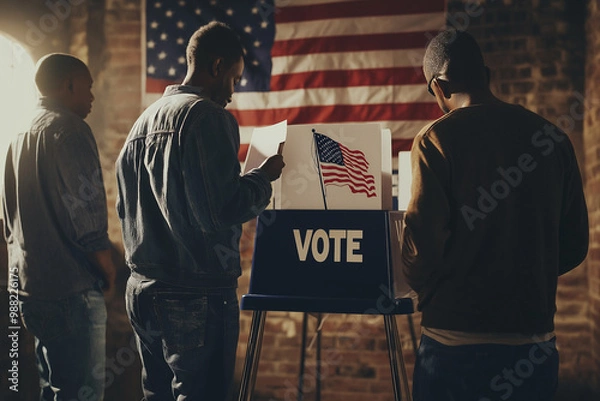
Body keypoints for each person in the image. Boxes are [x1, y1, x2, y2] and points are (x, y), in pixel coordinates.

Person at [401, 29, 589, 401]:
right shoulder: (552, 138)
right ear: (487, 74)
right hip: (533, 342)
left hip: (452, 343)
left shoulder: (435, 140)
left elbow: (421, 248)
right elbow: (574, 245)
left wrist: (427, 286)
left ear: (439, 86)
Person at [116, 21, 284, 400]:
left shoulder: (141, 123)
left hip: (141, 288)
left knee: (156, 393)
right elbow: (221, 210)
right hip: (195, 294)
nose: (233, 92)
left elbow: (123, 208)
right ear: (217, 65)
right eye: (235, 79)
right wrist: (262, 177)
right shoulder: (209, 117)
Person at [2, 53, 115, 400]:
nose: (92, 97)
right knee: (81, 393)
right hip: (72, 290)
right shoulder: (70, 129)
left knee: (53, 390)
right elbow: (89, 218)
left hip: (30, 290)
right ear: (69, 85)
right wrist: (109, 270)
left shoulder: (17, 132)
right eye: (89, 88)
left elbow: (8, 217)